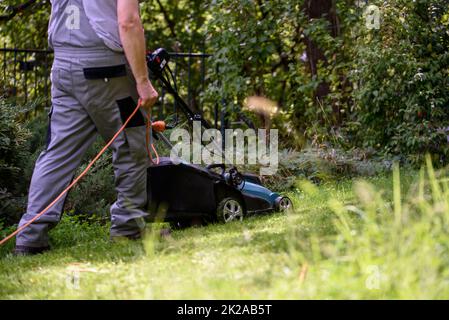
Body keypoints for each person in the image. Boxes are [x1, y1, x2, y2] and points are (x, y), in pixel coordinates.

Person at [15, 0, 158, 255]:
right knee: (132, 142)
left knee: (57, 152)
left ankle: (30, 236)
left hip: (63, 67)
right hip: (106, 69)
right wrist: (142, 80)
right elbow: (128, 22)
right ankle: (128, 227)